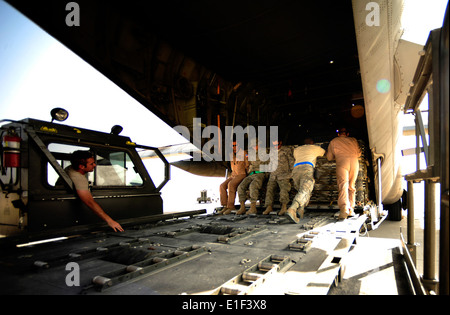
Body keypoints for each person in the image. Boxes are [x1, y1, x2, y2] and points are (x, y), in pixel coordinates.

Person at [61, 150, 124, 232]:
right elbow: (89, 201)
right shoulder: (78, 178)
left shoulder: (71, 168)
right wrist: (110, 221)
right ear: (81, 167)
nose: (94, 165)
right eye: (91, 164)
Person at [286, 138, 325, 224]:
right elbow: (324, 154)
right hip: (306, 168)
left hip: (295, 170)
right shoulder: (315, 148)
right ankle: (292, 208)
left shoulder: (297, 149)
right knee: (305, 190)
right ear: (312, 143)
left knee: (301, 190)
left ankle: (301, 210)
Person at [326, 127, 361, 220]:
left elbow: (329, 157)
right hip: (354, 162)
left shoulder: (334, 141)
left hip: (342, 162)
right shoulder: (353, 140)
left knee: (343, 186)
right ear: (347, 134)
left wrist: (337, 156)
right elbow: (359, 154)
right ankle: (351, 210)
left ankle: (344, 209)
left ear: (338, 134)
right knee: (351, 186)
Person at [235, 138, 268, 215]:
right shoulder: (251, 154)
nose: (253, 147)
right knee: (240, 186)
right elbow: (249, 164)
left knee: (253, 186)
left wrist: (266, 175)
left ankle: (253, 208)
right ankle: (242, 207)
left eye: (255, 145)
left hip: (260, 173)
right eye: (252, 146)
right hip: (251, 174)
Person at [262, 139, 294, 215]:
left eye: (277, 145)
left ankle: (284, 207)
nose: (276, 146)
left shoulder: (286, 150)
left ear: (280, 143)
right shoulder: (272, 151)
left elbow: (291, 161)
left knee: (284, 191)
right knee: (269, 191)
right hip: (273, 175)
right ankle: (269, 207)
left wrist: (292, 173)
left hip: (284, 175)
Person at [218, 141, 248, 214]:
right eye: (232, 146)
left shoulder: (244, 153)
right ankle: (225, 206)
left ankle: (231, 206)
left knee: (231, 185)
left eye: (235, 145)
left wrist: (248, 175)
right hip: (233, 175)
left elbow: (247, 165)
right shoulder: (231, 154)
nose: (234, 147)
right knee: (222, 186)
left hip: (241, 174)